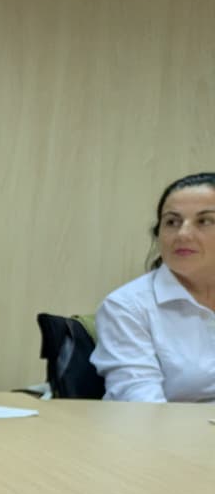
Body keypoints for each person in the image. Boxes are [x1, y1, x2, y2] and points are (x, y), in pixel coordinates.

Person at [91, 172, 215, 402]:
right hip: (162, 435)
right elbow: (141, 406)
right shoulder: (127, 307)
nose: (183, 234)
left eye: (204, 221)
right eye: (172, 222)